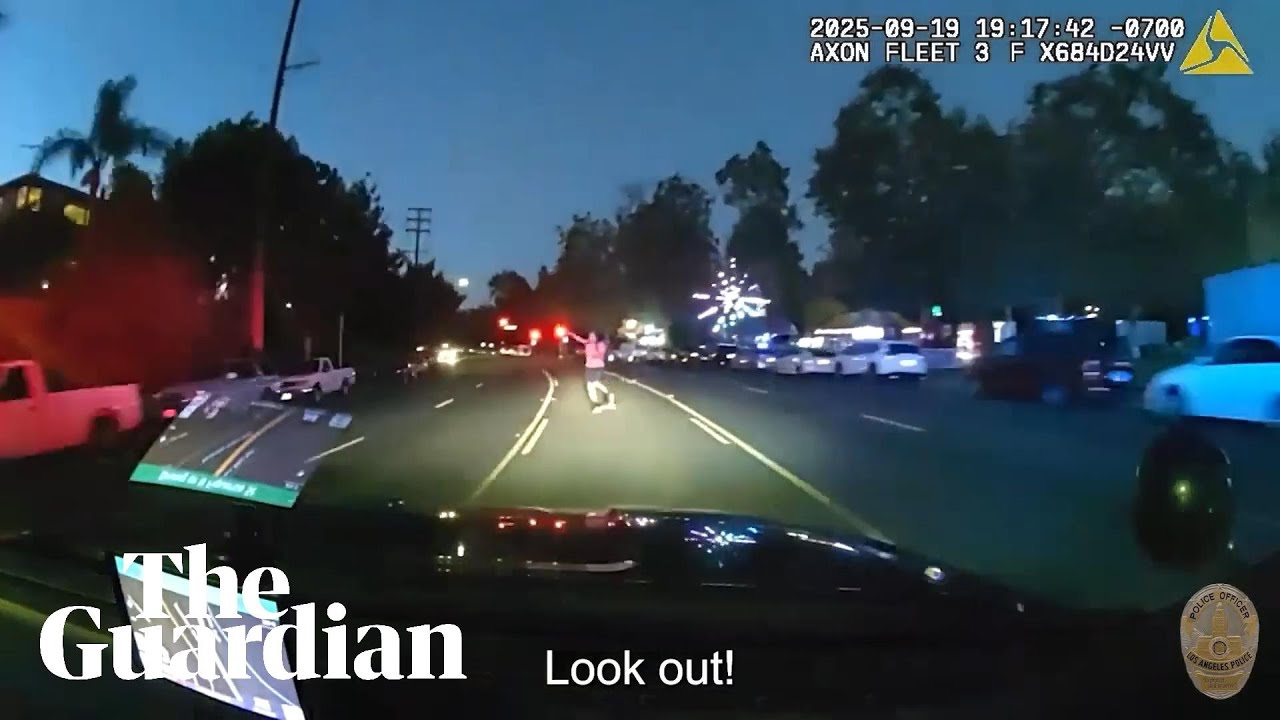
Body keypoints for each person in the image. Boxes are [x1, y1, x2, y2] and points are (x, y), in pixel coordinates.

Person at [566, 329, 616, 413]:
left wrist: (592, 354)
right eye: (590, 335)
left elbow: (602, 351)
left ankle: (596, 404)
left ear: (596, 337)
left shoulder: (597, 344)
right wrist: (570, 334)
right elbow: (578, 338)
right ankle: (607, 395)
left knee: (590, 385)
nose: (590, 337)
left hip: (594, 367)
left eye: (592, 335)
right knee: (594, 382)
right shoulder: (591, 343)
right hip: (594, 367)